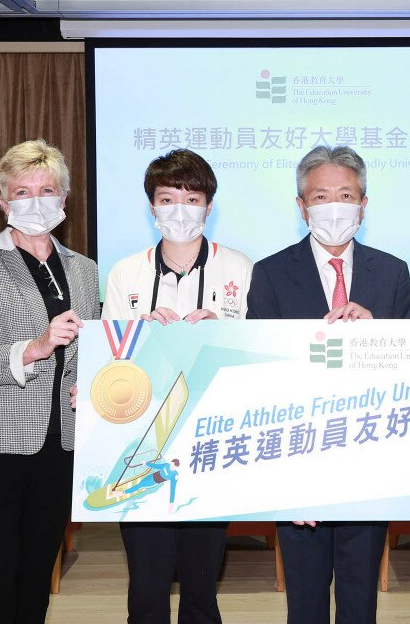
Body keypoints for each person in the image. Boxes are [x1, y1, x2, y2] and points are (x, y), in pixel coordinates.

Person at [247, 145, 410, 624]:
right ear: (301, 207)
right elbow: (259, 377)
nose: (334, 205)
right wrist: (284, 473)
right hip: (298, 456)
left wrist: (379, 332)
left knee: (361, 598)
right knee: (305, 599)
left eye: (346, 194)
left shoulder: (392, 271)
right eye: (321, 195)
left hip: (370, 455)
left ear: (364, 204)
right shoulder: (271, 272)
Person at [0, 139, 100, 623]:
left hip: (59, 448)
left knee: (36, 578)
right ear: (2, 200)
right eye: (22, 191)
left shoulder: (85, 270)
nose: (35, 201)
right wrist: (31, 348)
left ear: (64, 200)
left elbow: (89, 354)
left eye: (47, 189)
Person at [102, 148, 253, 624]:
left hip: (211, 439)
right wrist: (139, 335)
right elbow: (108, 363)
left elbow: (254, 351)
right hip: (140, 441)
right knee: (147, 582)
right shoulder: (127, 272)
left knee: (201, 581)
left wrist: (220, 330)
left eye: (192, 198)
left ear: (209, 206)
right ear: (152, 208)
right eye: (168, 199)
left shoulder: (240, 269)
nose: (180, 210)